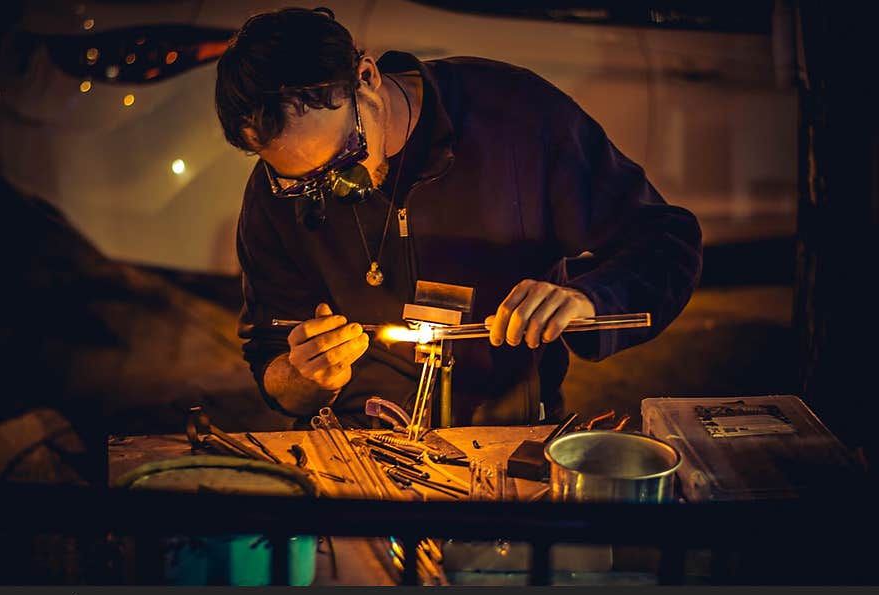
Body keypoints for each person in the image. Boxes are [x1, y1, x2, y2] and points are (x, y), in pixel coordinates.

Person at [214, 7, 702, 428]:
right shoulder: (272, 195)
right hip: (357, 445)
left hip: (505, 435)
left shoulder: (515, 117)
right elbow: (271, 360)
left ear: (366, 79)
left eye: (347, 153)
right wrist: (304, 377)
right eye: (304, 180)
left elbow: (665, 242)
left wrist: (586, 300)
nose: (339, 186)